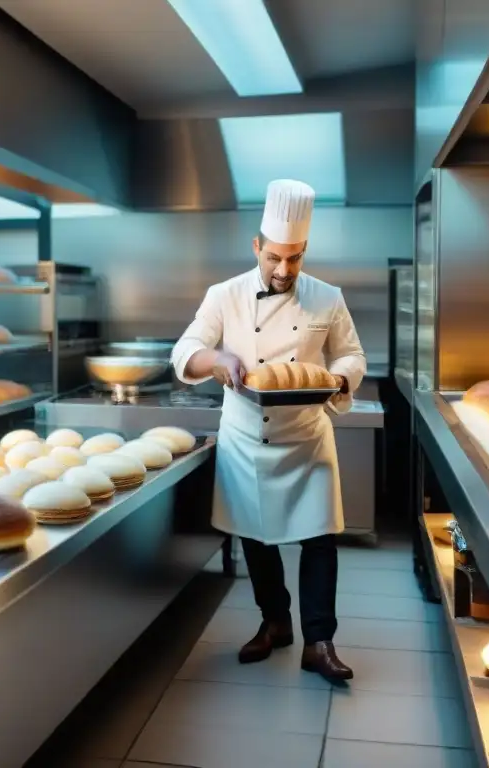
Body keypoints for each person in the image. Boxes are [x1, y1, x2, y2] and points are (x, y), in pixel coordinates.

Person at [171, 179, 367, 683]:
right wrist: (217, 358)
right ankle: (275, 623)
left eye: (294, 259)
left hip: (306, 436)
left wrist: (340, 378)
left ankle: (319, 642)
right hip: (245, 440)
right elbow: (183, 350)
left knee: (320, 539)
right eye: (274, 258)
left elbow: (352, 354)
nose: (283, 271)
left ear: (305, 252)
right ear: (256, 247)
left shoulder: (328, 298)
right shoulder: (225, 295)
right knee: (257, 540)